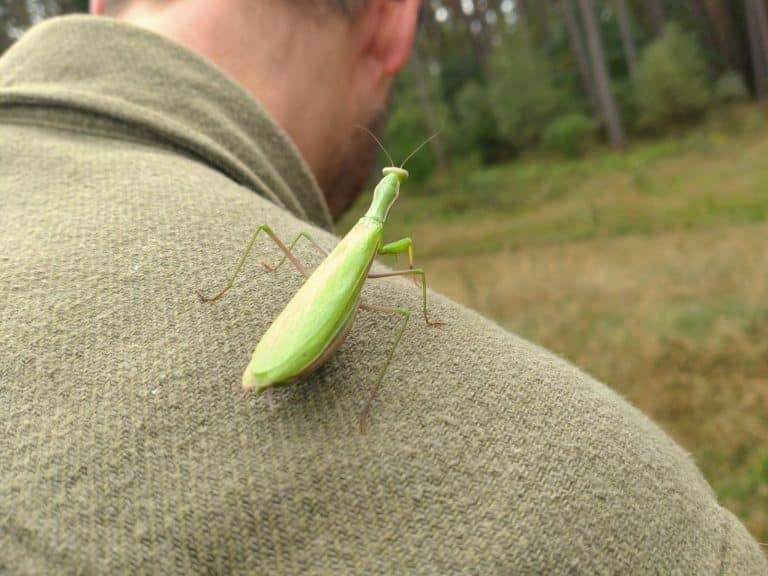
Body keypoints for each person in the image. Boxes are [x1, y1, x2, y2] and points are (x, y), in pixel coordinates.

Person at [1, 0, 765, 573]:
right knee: (396, 301)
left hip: (302, 325)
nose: (391, 177)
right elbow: (368, 301)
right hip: (296, 344)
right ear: (391, 24)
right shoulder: (668, 535)